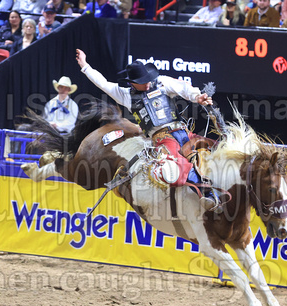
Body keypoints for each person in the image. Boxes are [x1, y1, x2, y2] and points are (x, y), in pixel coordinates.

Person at [75, 49, 222, 212]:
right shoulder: (125, 95)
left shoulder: (162, 82)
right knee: (175, 169)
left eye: (146, 78)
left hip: (184, 131)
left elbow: (183, 87)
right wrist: (85, 66)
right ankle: (207, 192)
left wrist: (197, 96)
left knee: (218, 147)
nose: (146, 82)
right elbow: (103, 83)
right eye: (141, 80)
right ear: (132, 82)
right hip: (163, 139)